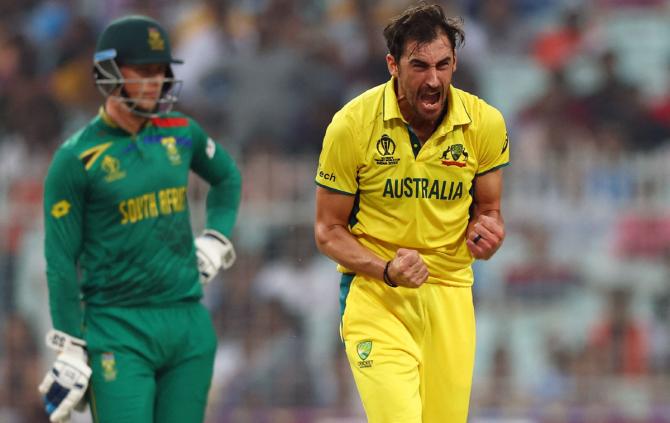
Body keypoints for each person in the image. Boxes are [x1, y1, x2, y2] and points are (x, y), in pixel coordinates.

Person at [39, 15, 241, 423]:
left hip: (188, 323)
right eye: (143, 71)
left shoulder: (181, 131)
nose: (156, 81)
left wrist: (216, 237)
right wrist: (70, 343)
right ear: (110, 74)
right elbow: (60, 259)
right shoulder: (76, 158)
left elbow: (228, 179)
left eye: (161, 71)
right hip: (117, 328)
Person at [314, 4, 509, 422]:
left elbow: (489, 212)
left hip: (451, 296)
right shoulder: (351, 125)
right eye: (419, 65)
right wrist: (387, 269)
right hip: (376, 296)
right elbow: (328, 230)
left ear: (455, 62)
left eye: (442, 65)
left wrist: (488, 234)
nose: (433, 80)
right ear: (393, 64)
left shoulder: (485, 124)